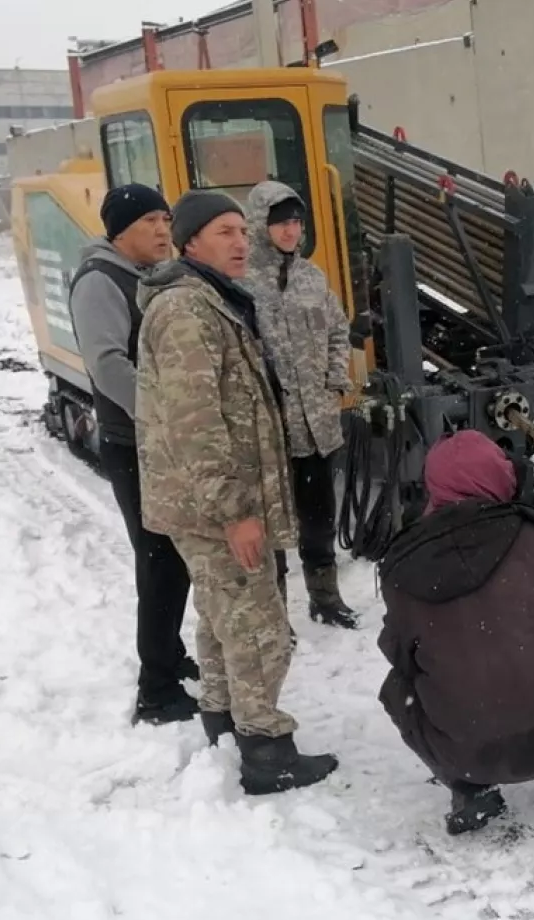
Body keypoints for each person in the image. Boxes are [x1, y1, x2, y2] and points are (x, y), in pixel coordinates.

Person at [134, 189, 338, 795]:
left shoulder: (214, 301)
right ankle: (267, 751)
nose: (240, 242)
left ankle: (223, 722)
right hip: (216, 505)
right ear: (190, 242)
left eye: (239, 231)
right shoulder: (188, 312)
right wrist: (234, 511)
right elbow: (195, 423)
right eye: (223, 232)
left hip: (206, 503)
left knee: (223, 616)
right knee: (256, 623)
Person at [375, 430, 534, 835]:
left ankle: (470, 790)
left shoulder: (404, 564)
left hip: (464, 751)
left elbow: (397, 650)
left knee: (399, 685)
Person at [67, 182, 200, 727]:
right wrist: (169, 415)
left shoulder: (145, 276)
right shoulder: (102, 280)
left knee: (174, 559)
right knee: (160, 562)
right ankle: (157, 690)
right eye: (149, 221)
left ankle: (169, 655)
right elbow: (108, 365)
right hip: (138, 442)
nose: (163, 229)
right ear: (119, 230)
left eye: (166, 218)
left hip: (156, 439)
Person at [240, 180, 359, 631]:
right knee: (272, 528)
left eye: (295, 222)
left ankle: (325, 597)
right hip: (272, 430)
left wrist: (333, 382)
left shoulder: (312, 277)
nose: (290, 231)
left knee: (318, 518)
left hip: (317, 426)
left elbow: (336, 330)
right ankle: (276, 615)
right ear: (259, 226)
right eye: (280, 223)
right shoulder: (243, 282)